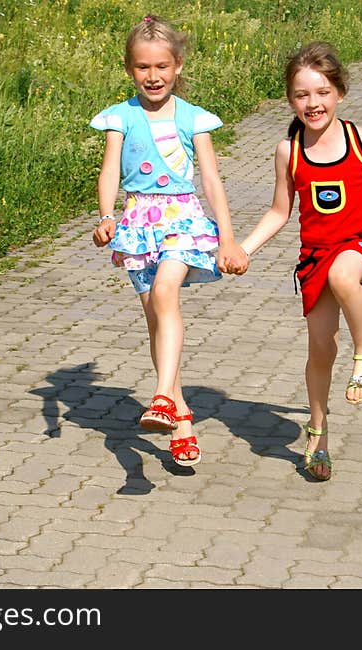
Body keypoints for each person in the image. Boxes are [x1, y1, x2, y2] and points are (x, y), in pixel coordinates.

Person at [238, 41, 362, 481]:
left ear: (339, 92)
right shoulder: (290, 151)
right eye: (302, 95)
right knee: (320, 350)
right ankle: (318, 434)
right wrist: (244, 249)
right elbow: (279, 211)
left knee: (345, 275)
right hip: (315, 256)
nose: (312, 103)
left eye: (321, 92)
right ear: (290, 100)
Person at [90, 15, 247, 468]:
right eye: (143, 67)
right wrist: (105, 217)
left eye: (162, 66)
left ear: (177, 65)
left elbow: (212, 180)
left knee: (166, 292)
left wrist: (229, 238)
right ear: (129, 69)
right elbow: (109, 173)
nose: (153, 76)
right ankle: (180, 419)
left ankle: (160, 395)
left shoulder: (194, 118)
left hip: (182, 218)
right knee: (157, 324)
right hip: (137, 222)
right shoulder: (121, 116)